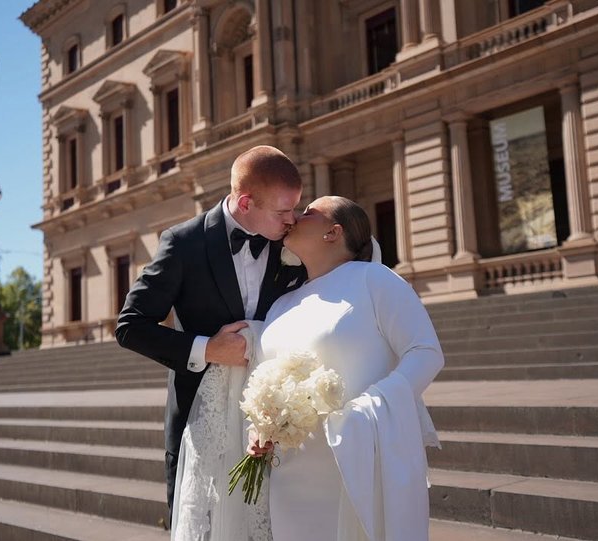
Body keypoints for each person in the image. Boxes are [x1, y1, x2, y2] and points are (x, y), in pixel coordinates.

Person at [173, 196, 443, 540]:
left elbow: (425, 351)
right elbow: (266, 371)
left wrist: (371, 408)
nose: (296, 216)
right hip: (289, 471)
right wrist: (260, 426)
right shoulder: (283, 303)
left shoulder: (376, 280)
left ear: (333, 232)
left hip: (352, 458)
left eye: (310, 212)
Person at [114, 145, 306, 516]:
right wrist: (208, 349)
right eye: (284, 211)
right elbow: (130, 326)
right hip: (201, 420)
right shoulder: (184, 243)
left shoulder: (291, 242)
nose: (292, 220)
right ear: (246, 203)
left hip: (270, 426)